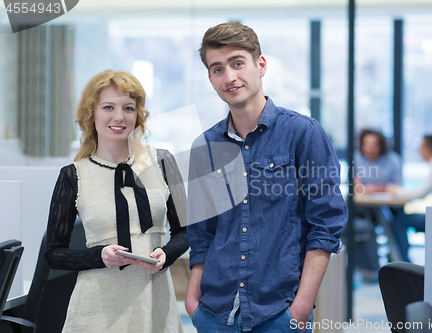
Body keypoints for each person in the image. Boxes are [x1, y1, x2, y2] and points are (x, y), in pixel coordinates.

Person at [185, 22, 348, 333]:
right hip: (214, 313)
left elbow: (326, 224)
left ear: (260, 65)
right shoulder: (204, 146)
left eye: (237, 63)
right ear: (210, 78)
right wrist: (193, 300)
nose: (229, 77)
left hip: (279, 313)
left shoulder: (303, 133)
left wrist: (301, 306)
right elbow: (201, 234)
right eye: (218, 69)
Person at [44, 70, 189, 332]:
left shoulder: (162, 162)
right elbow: (53, 254)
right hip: (96, 311)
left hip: (155, 304)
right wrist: (100, 256)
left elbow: (188, 232)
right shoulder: (73, 175)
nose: (119, 117)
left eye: (129, 108)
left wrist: (166, 255)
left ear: (138, 115)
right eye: (108, 107)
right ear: (92, 113)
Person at [353, 129, 402, 281]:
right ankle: (367, 269)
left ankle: (398, 264)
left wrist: (377, 189)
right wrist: (370, 189)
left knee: (390, 224)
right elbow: (355, 185)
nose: (370, 148)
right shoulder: (356, 159)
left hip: (387, 207)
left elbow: (397, 187)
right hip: (361, 208)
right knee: (361, 227)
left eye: (374, 145)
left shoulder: (392, 160)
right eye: (367, 144)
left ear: (381, 145)